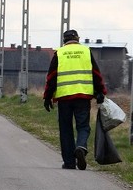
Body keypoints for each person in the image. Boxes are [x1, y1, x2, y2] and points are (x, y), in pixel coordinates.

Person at [43, 29, 107, 170]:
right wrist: (101, 92)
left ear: (64, 40)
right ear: (78, 39)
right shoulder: (86, 52)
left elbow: (51, 77)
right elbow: (96, 73)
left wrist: (47, 97)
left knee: (65, 129)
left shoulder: (59, 53)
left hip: (64, 97)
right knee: (83, 126)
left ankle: (69, 162)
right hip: (83, 97)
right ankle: (81, 147)